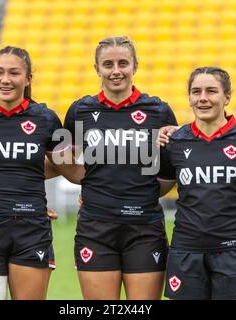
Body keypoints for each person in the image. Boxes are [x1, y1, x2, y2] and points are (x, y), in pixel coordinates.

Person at [0, 46, 82, 300]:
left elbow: (68, 167)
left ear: (28, 78)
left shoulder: (46, 119)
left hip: (30, 231)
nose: (5, 79)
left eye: (14, 73)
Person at [63, 36, 178, 300]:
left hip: (144, 227)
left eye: (123, 63)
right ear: (97, 69)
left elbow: (171, 167)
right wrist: (87, 182)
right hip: (96, 228)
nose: (116, 71)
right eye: (108, 64)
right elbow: (60, 159)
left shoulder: (158, 111)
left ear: (135, 66)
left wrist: (150, 191)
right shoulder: (80, 111)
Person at [159, 67, 236, 300]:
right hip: (186, 251)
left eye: (211, 91)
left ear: (227, 97)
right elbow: (155, 189)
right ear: (189, 98)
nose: (203, 98)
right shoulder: (175, 141)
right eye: (196, 92)